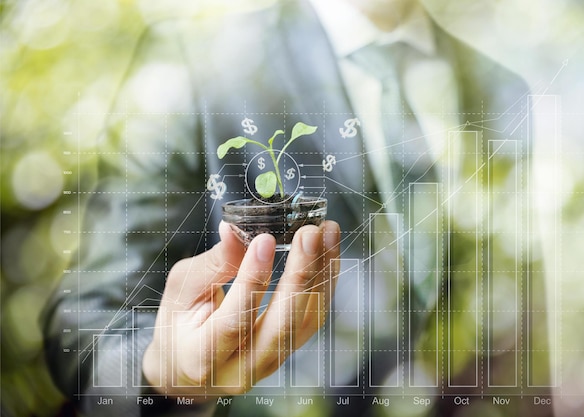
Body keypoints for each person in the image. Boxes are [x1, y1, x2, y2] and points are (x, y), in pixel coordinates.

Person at [43, 0, 530, 416]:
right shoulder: (195, 62)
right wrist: (161, 368)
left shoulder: (504, 89)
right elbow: (87, 325)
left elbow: (510, 317)